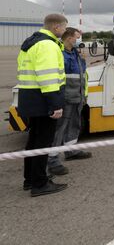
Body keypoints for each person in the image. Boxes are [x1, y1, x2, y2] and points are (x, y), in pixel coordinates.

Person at [17, 13, 68, 197]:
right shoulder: (47, 45)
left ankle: (30, 179)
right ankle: (39, 183)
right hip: (43, 100)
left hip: (31, 99)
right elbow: (47, 77)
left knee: (33, 141)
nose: (64, 30)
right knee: (43, 142)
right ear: (56, 27)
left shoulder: (32, 42)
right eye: (64, 27)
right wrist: (55, 104)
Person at [48, 27, 92, 176]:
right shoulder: (60, 54)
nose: (78, 40)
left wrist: (83, 95)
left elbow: (81, 75)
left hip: (77, 97)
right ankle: (52, 160)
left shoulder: (75, 53)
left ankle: (70, 150)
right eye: (77, 37)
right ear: (68, 38)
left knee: (74, 125)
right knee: (59, 129)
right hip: (65, 98)